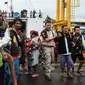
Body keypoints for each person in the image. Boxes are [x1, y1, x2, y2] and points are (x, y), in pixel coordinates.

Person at [5, 18, 25, 85]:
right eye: (17, 23)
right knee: (7, 75)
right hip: (8, 57)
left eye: (20, 23)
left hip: (17, 57)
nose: (18, 25)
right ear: (14, 24)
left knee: (15, 74)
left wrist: (23, 57)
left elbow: (23, 46)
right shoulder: (9, 32)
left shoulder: (22, 35)